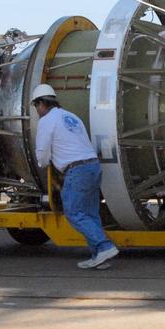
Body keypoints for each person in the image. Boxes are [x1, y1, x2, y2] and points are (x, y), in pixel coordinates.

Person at [32, 83, 119, 270]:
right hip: (92, 166)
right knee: (90, 214)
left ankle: (104, 246)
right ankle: (99, 255)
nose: (36, 110)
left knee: (73, 212)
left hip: (77, 170)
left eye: (35, 106)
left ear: (42, 103)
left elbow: (42, 154)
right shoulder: (71, 116)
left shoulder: (46, 121)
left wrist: (43, 162)